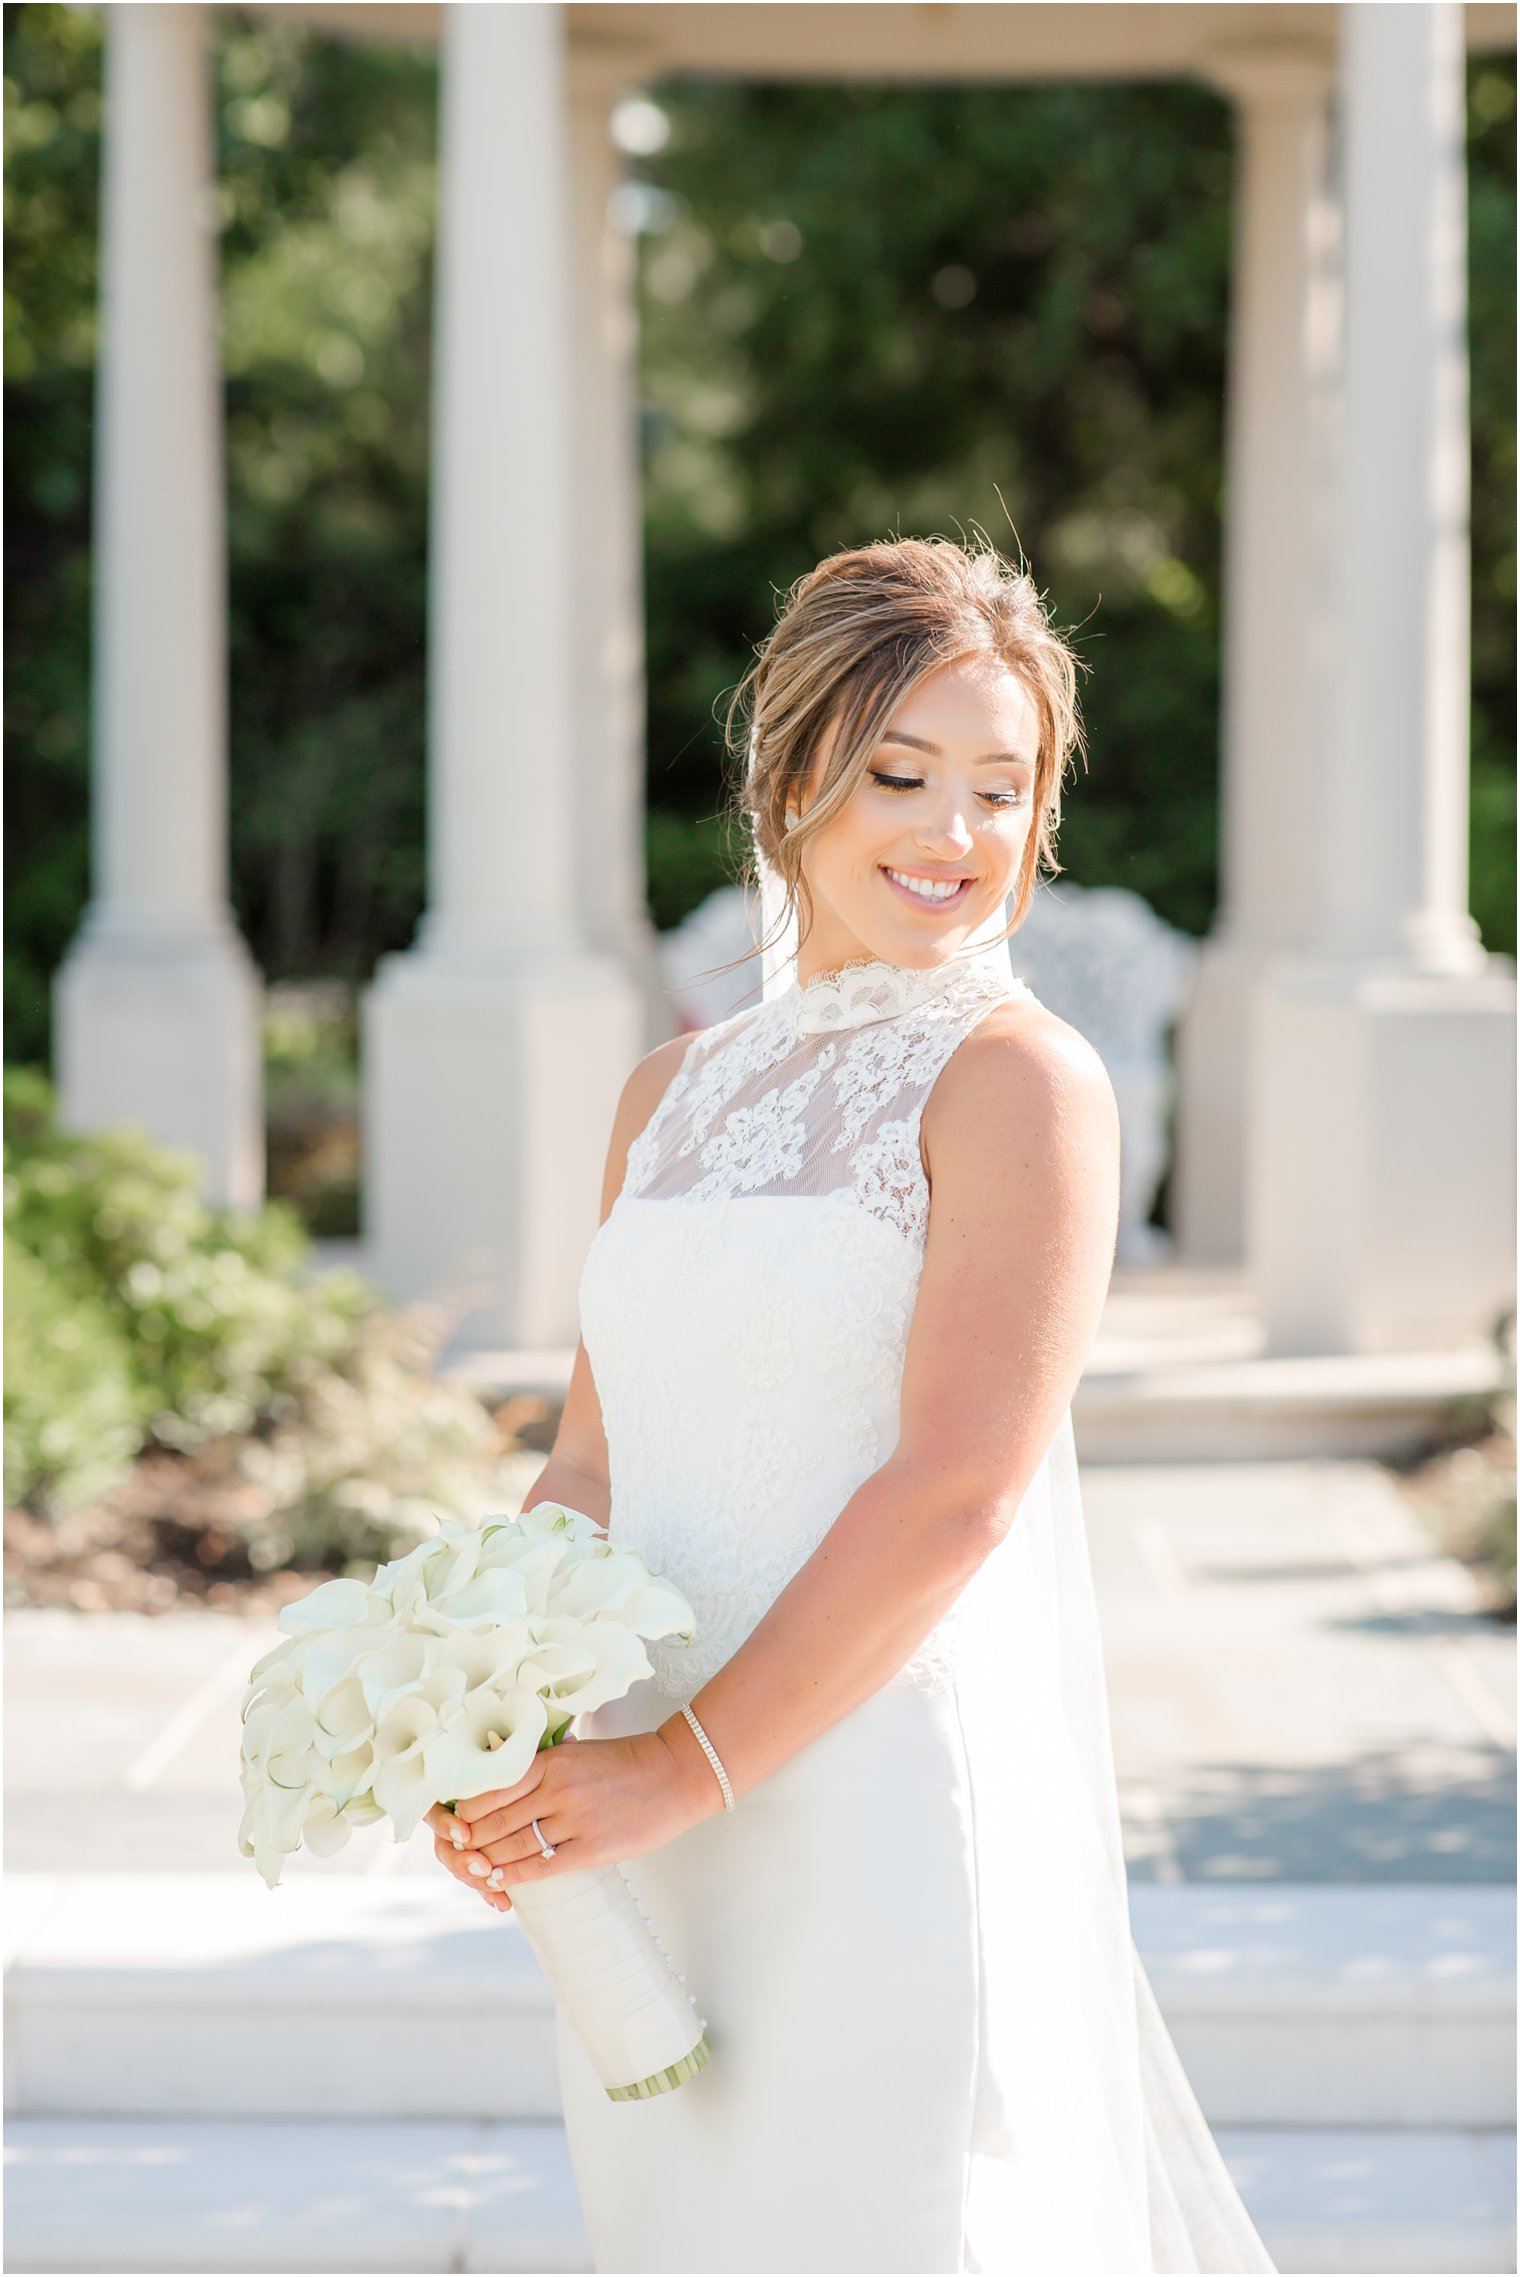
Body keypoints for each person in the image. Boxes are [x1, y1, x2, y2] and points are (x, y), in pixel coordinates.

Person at [425, 537, 1277, 2275]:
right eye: (902, 773)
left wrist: (685, 1766)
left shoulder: (1020, 1083)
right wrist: (490, 1710)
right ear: (793, 766)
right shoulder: (668, 1090)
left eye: (1001, 785)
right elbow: (591, 1455)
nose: (954, 834)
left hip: (853, 1802)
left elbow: (961, 1487)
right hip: (638, 1824)